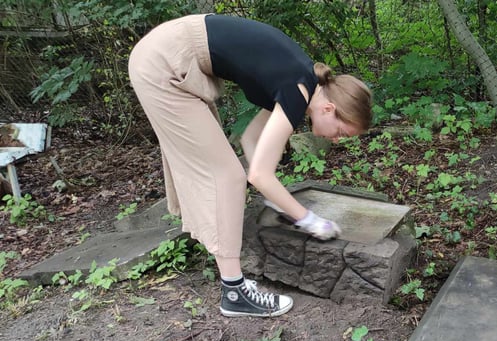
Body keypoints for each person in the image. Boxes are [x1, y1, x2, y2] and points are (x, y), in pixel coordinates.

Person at [128, 14, 372, 318]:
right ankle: (234, 293)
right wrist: (309, 220)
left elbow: (250, 139)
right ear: (329, 109)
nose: (336, 140)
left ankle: (233, 283)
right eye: (341, 132)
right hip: (164, 64)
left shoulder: (300, 80)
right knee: (227, 176)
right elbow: (257, 174)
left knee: (224, 169)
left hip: (167, 54)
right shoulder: (297, 90)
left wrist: (277, 199)